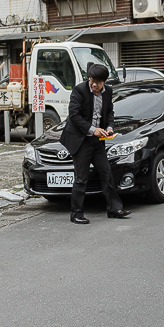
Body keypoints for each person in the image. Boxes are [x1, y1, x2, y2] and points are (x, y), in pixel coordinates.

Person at [59, 64, 131, 224]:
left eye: (98, 82)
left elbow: (109, 112)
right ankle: (76, 214)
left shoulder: (109, 92)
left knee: (106, 173)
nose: (94, 85)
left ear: (105, 82)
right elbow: (74, 115)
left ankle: (114, 209)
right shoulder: (79, 90)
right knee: (81, 179)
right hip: (81, 140)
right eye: (92, 80)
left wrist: (110, 127)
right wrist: (93, 130)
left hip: (98, 142)